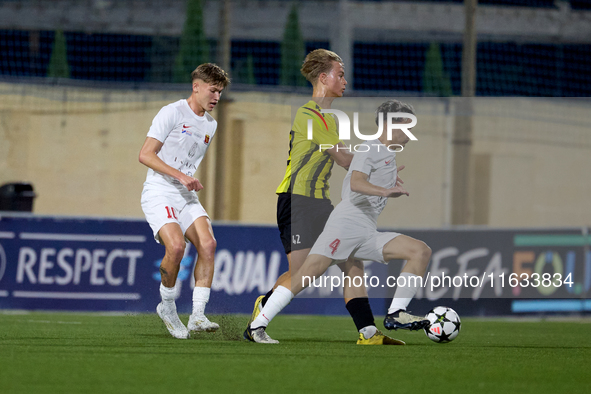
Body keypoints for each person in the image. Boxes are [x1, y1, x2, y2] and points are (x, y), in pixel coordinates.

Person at [244, 49, 402, 345]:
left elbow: (350, 159)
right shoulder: (311, 114)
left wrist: (380, 169)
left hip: (319, 203)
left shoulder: (328, 118)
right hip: (298, 200)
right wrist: (380, 167)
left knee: (352, 259)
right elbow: (344, 160)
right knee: (303, 273)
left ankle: (368, 332)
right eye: (339, 74)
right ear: (323, 77)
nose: (344, 80)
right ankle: (263, 311)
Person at [138, 63, 230, 339]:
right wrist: (181, 176)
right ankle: (167, 306)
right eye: (213, 91)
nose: (216, 97)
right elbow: (145, 154)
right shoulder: (172, 112)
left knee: (209, 244)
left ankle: (198, 315)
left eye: (220, 92)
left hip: (185, 193)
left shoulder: (210, 125)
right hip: (159, 190)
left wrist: (186, 179)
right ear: (196, 86)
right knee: (176, 247)